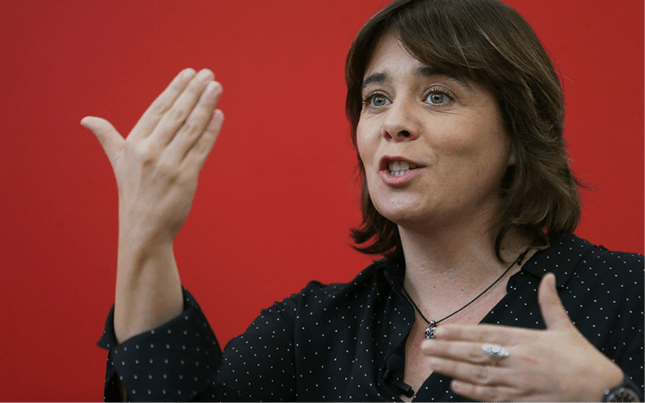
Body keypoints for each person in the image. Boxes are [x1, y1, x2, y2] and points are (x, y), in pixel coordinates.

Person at [83, 0, 645, 402]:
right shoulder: (309, 330)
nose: (393, 122)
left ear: (519, 136)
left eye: (437, 95)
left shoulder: (628, 296)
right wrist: (145, 237)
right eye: (376, 99)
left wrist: (608, 398)